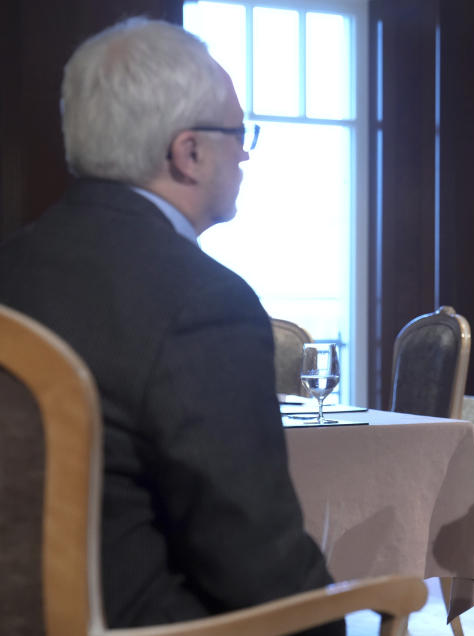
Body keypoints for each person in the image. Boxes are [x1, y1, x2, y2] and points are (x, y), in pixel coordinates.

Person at [0, 19, 342, 634]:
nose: (244, 152)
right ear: (188, 152)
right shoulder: (203, 302)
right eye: (240, 134)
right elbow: (257, 567)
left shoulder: (13, 264)